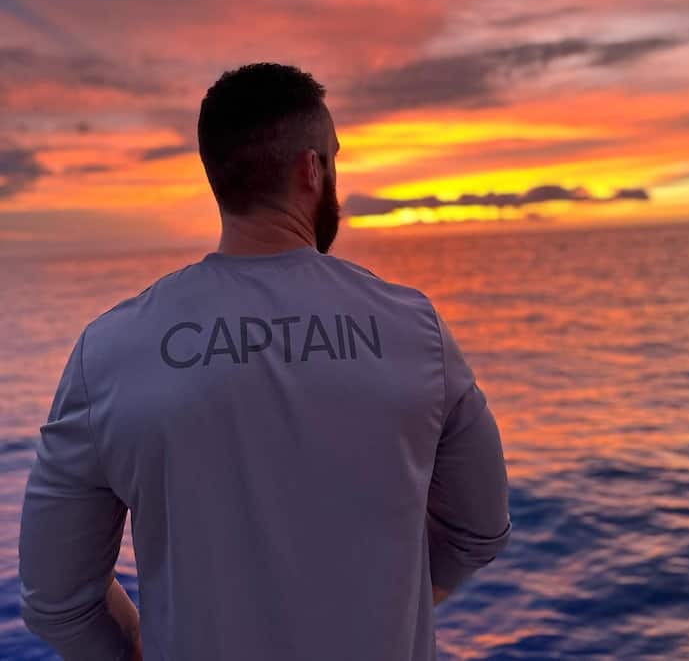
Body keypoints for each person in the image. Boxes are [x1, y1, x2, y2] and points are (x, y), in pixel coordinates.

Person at [18, 62, 511, 661]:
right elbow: (479, 528)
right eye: (334, 158)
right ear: (312, 169)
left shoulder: (111, 351)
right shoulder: (416, 330)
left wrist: (137, 648)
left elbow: (57, 601)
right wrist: (388, 605)